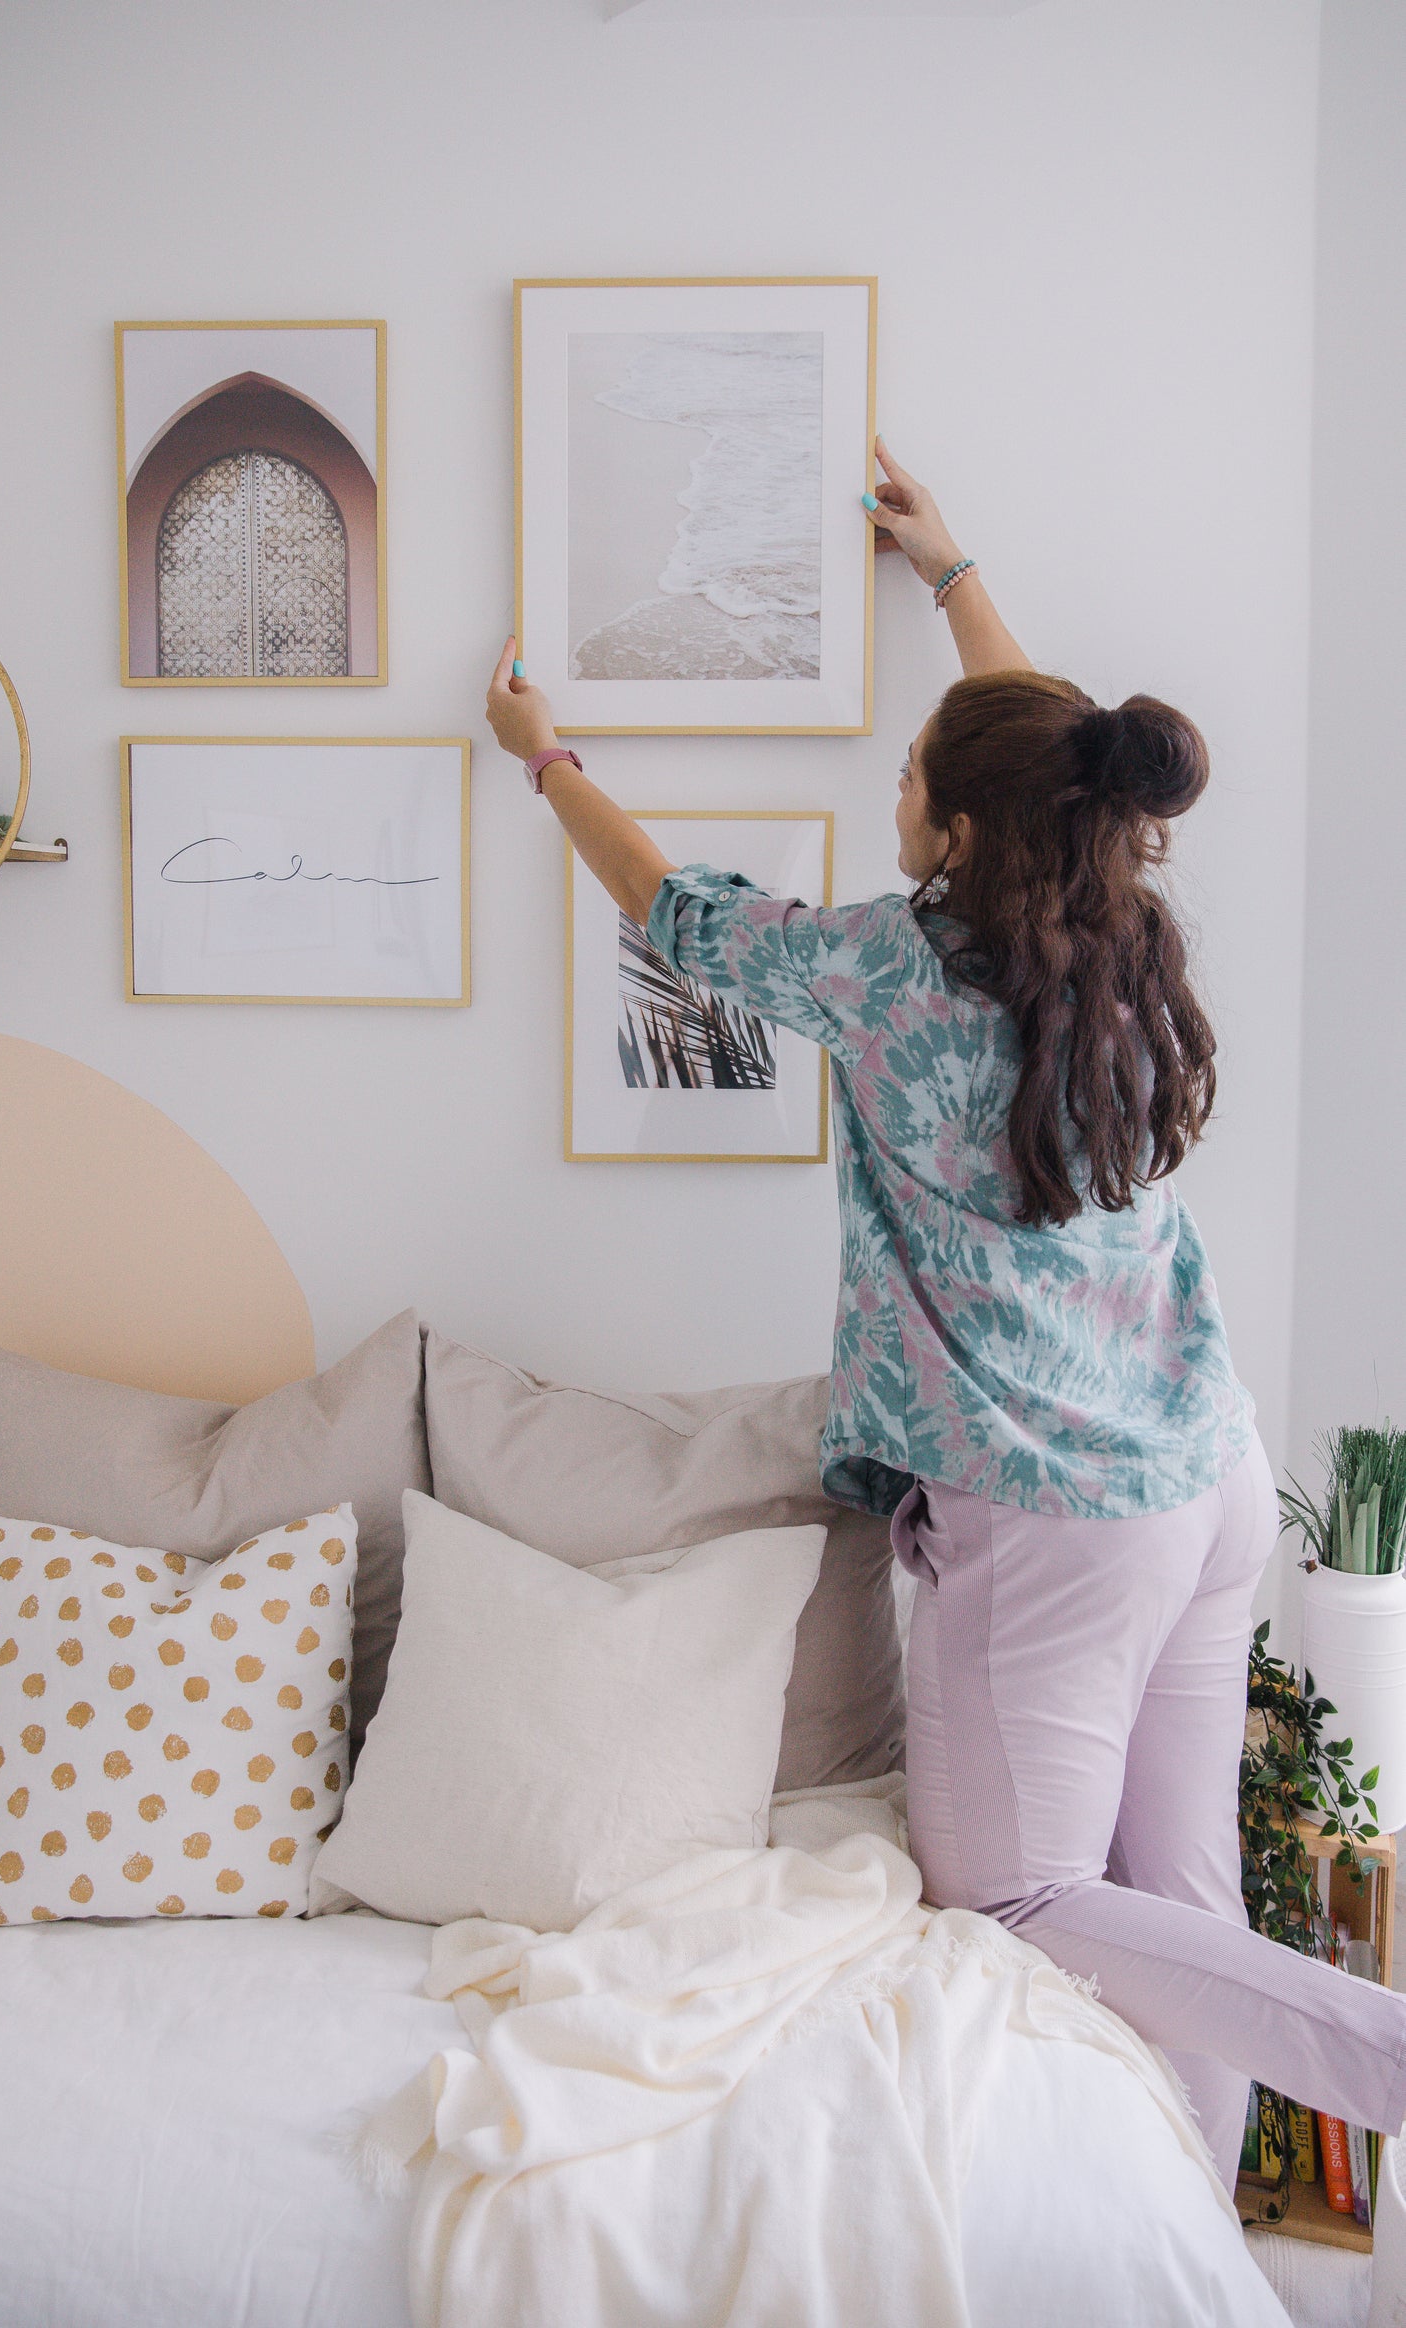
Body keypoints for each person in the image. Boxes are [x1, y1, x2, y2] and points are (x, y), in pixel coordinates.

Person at [483, 439, 1406, 2187]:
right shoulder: (1122, 936)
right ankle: (1196, 2263)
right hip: (1209, 1476)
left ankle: (1383, 2055)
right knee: (1180, 1893)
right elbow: (1044, 757)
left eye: (916, 770)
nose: (898, 777)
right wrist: (951, 572)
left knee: (1030, 1897)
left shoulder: (888, 972)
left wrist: (550, 763)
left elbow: (679, 917)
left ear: (960, 830)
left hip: (1058, 1525)